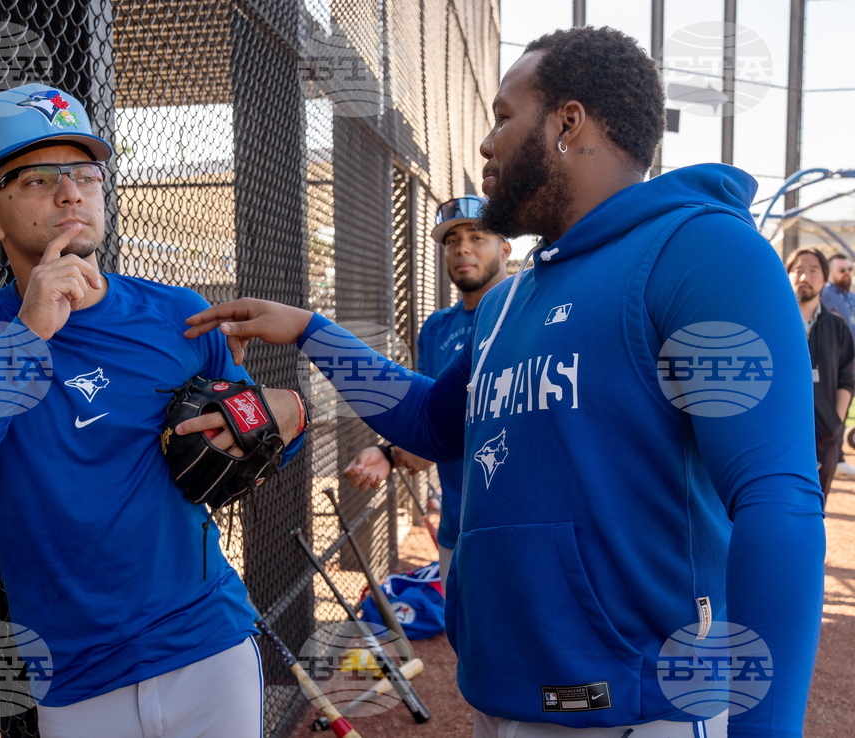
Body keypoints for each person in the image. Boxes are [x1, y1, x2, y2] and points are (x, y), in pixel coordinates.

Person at [183, 26, 825, 738]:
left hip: (644, 708)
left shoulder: (702, 249)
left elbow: (778, 498)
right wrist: (311, 331)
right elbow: (431, 420)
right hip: (508, 694)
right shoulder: (511, 300)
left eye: (502, 114)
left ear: (567, 122)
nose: (486, 144)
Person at [0, 84, 305, 738]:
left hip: (204, 639)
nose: (69, 193)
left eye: (85, 173)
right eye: (36, 178)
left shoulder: (176, 312)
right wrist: (27, 334)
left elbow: (263, 438)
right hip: (74, 672)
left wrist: (288, 416)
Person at [343, 195, 510, 588]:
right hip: (457, 530)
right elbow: (432, 426)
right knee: (466, 645)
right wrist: (390, 454)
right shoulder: (436, 328)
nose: (462, 248)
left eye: (477, 236)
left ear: (505, 248)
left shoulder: (528, 310)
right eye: (452, 241)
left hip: (520, 529)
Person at [786, 248, 855, 496]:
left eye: (813, 270)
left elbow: (847, 377)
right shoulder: (774, 322)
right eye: (798, 270)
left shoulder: (837, 327)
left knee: (817, 504)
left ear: (825, 278)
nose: (805, 277)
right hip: (781, 434)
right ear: (787, 276)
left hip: (825, 435)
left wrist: (836, 421)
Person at [818, 252, 855, 477]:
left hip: (850, 360)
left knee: (845, 402)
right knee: (830, 406)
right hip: (831, 360)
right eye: (842, 270)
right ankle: (835, 455)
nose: (847, 273)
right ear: (830, 273)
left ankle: (837, 453)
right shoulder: (826, 294)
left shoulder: (849, 297)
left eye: (850, 269)